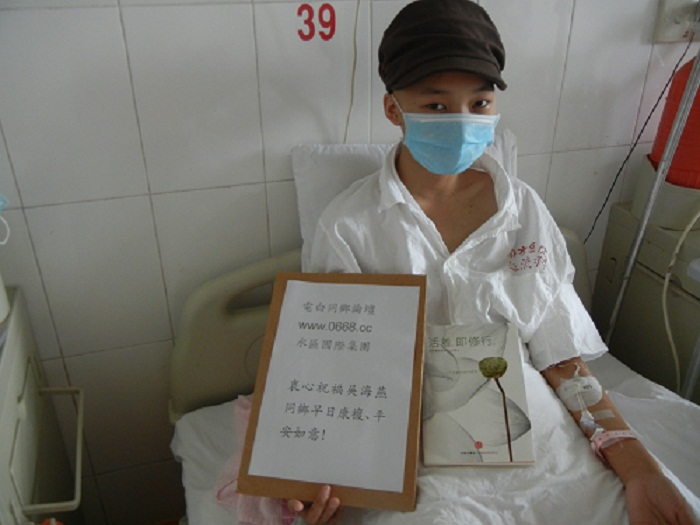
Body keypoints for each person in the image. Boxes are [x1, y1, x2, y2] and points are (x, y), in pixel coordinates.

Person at [287, 1, 697, 523]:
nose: (461, 121)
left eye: (479, 103)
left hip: (537, 437)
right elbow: (333, 366)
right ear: (393, 109)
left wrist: (639, 469)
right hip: (409, 446)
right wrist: (317, 473)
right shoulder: (348, 226)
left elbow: (560, 356)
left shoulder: (522, 209)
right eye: (436, 105)